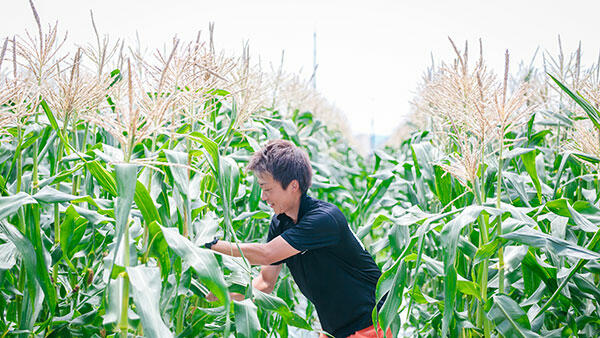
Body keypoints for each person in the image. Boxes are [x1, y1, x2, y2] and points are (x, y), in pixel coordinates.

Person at [204, 139, 389, 338]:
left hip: (369, 324)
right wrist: (227, 295)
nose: (264, 197)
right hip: (333, 329)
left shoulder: (324, 219)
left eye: (267, 189)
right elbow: (266, 282)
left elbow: (267, 254)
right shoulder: (280, 223)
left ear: (293, 186)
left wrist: (209, 244)